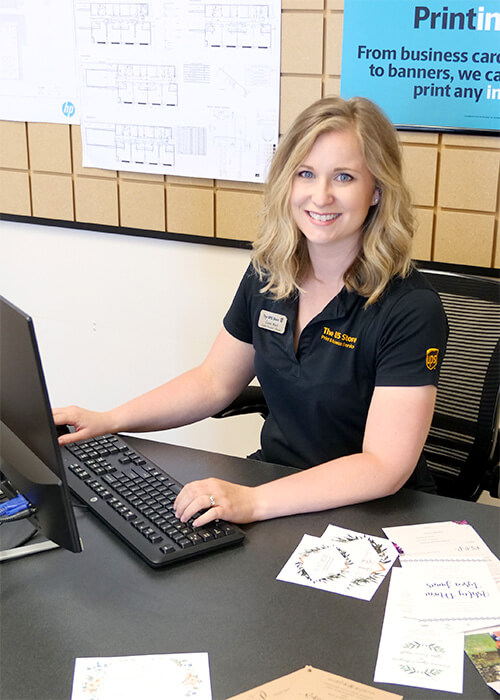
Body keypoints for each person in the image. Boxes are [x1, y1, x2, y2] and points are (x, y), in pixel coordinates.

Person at [53, 96, 448, 530]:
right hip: (278, 481)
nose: (321, 195)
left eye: (344, 177)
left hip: (375, 511)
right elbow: (213, 381)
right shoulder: (270, 272)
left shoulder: (410, 308)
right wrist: (109, 420)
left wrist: (254, 502)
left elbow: (383, 466)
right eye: (306, 174)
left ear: (376, 190)